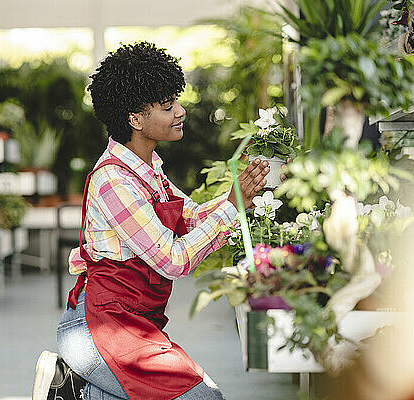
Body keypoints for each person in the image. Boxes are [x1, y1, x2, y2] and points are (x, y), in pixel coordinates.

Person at [33, 41, 271, 400]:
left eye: (176, 101)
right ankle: (79, 391)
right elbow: (171, 260)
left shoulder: (148, 170)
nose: (180, 112)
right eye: (167, 106)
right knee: (203, 398)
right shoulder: (114, 180)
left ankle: (74, 390)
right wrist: (232, 207)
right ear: (135, 119)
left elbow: (191, 218)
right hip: (102, 326)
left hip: (134, 321)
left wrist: (242, 197)